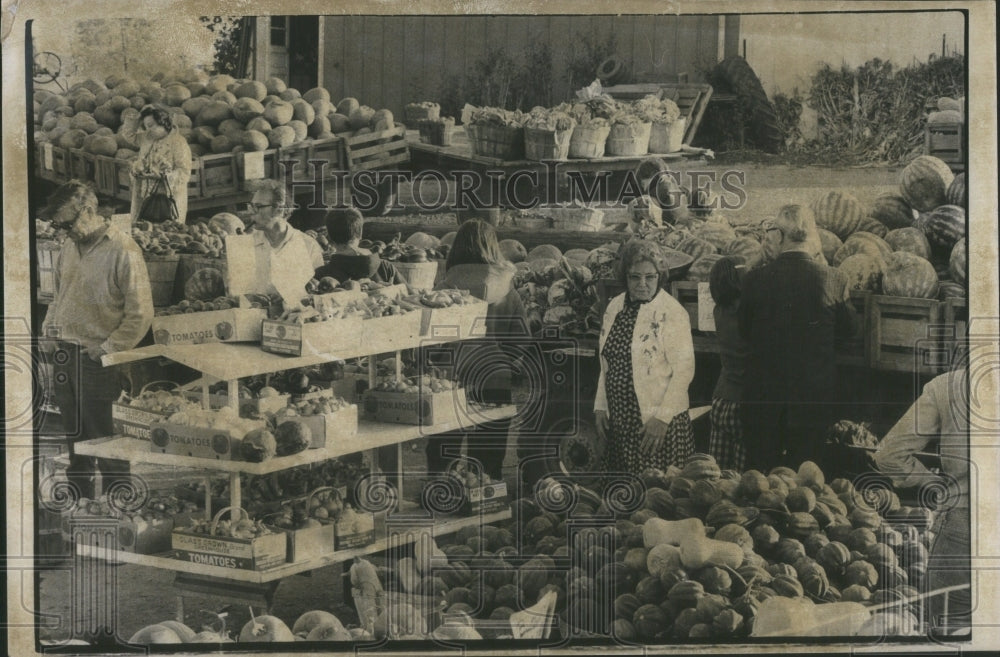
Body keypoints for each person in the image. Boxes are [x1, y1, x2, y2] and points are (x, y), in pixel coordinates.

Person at [40, 180, 154, 500]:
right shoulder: (68, 247)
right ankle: (82, 504)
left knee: (105, 440)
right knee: (75, 439)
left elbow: (141, 313)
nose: (64, 231)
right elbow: (57, 295)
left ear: (88, 211)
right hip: (65, 352)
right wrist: (50, 329)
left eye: (67, 223)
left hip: (97, 358)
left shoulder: (123, 250)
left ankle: (121, 506)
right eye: (58, 225)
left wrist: (106, 350)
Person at [738, 204, 858, 470]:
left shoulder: (753, 280)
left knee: (761, 483)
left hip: (762, 404)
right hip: (811, 405)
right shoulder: (835, 278)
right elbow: (851, 332)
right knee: (806, 485)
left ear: (779, 236)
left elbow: (743, 331)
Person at [424, 220, 529, 487]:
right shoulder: (508, 289)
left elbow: (429, 341)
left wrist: (436, 367)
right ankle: (489, 506)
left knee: (442, 450)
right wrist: (504, 363)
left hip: (449, 382)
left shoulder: (443, 288)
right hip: (494, 379)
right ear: (494, 248)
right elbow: (520, 340)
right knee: (488, 456)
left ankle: (442, 495)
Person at [874, 364, 970, 637]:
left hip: (961, 527)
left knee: (948, 635)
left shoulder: (948, 385)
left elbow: (887, 455)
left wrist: (933, 482)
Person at [594, 239, 695, 472]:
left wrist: (662, 419)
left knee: (657, 495)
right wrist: (600, 406)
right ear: (624, 277)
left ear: (660, 276)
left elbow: (684, 371)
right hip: (620, 423)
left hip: (656, 426)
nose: (642, 284)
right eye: (634, 277)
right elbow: (606, 363)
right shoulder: (614, 308)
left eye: (650, 277)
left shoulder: (672, 312)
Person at [245, 179, 324, 305]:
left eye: (258, 206)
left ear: (279, 209)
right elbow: (238, 296)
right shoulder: (245, 246)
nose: (251, 211)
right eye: (251, 205)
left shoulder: (308, 245)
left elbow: (320, 291)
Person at [707, 256, 749, 470]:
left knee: (717, 472)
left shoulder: (719, 312)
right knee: (741, 478)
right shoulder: (748, 313)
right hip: (743, 403)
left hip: (720, 400)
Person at [126, 104, 192, 224]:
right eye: (146, 126)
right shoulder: (147, 137)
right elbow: (128, 135)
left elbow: (184, 171)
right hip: (144, 193)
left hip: (168, 196)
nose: (148, 130)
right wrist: (138, 117)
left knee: (167, 230)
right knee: (143, 227)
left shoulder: (178, 143)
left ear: (162, 122)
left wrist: (165, 176)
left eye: (151, 125)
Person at [314, 206, 404, 284]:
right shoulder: (386, 268)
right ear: (360, 233)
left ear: (329, 237)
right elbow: (413, 297)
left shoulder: (321, 275)